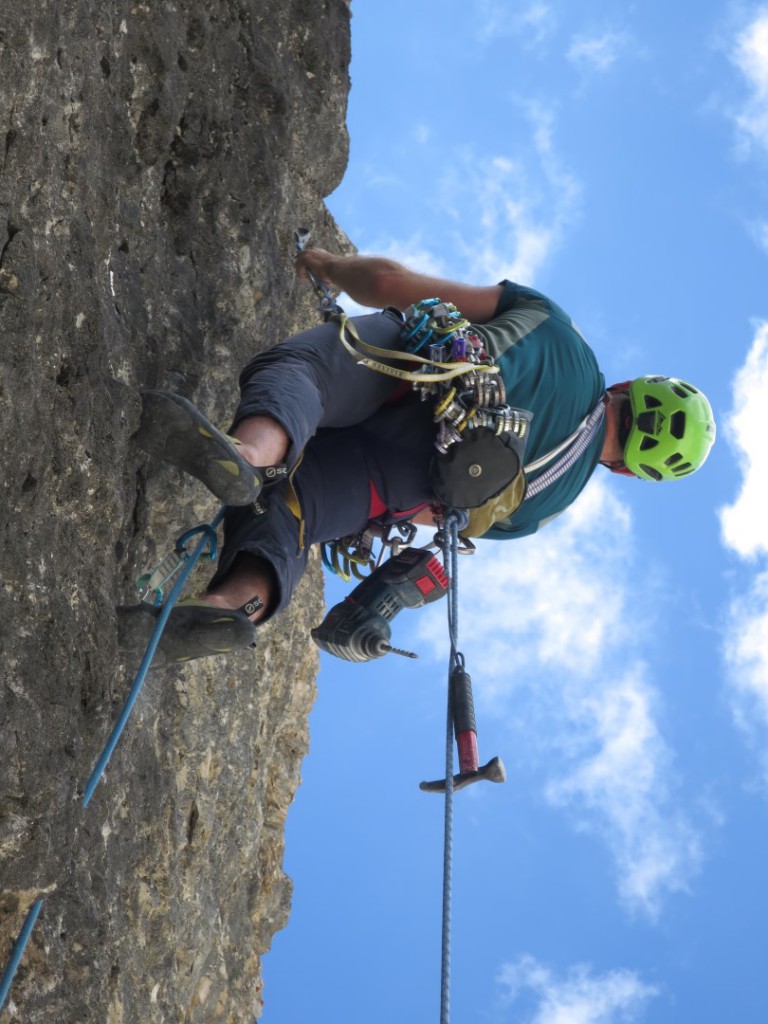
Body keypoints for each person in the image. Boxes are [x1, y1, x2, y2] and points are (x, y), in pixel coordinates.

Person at [118, 249, 716, 667]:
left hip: (415, 374)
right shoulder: (545, 506)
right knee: (294, 513)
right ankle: (233, 606)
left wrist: (326, 266)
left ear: (631, 387)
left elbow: (391, 283)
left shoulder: (557, 332)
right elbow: (441, 519)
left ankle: (252, 452)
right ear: (631, 468)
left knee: (305, 375)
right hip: (406, 479)